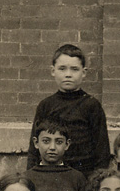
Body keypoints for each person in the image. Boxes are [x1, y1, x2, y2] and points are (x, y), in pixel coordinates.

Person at [27, 44, 109, 176]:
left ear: (84, 72)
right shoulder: (46, 105)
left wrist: (98, 181)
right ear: (53, 71)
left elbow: (101, 150)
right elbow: (34, 148)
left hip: (83, 174)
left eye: (74, 69)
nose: (68, 75)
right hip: (51, 172)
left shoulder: (91, 105)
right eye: (62, 69)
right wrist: (31, 177)